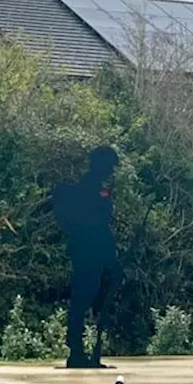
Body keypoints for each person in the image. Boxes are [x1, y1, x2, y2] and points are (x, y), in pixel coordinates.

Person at [53, 146, 123, 368]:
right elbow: (93, 224)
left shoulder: (97, 187)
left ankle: (86, 351)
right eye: (109, 166)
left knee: (92, 298)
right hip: (87, 250)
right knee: (82, 299)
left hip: (97, 250)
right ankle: (76, 351)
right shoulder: (87, 188)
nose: (111, 171)